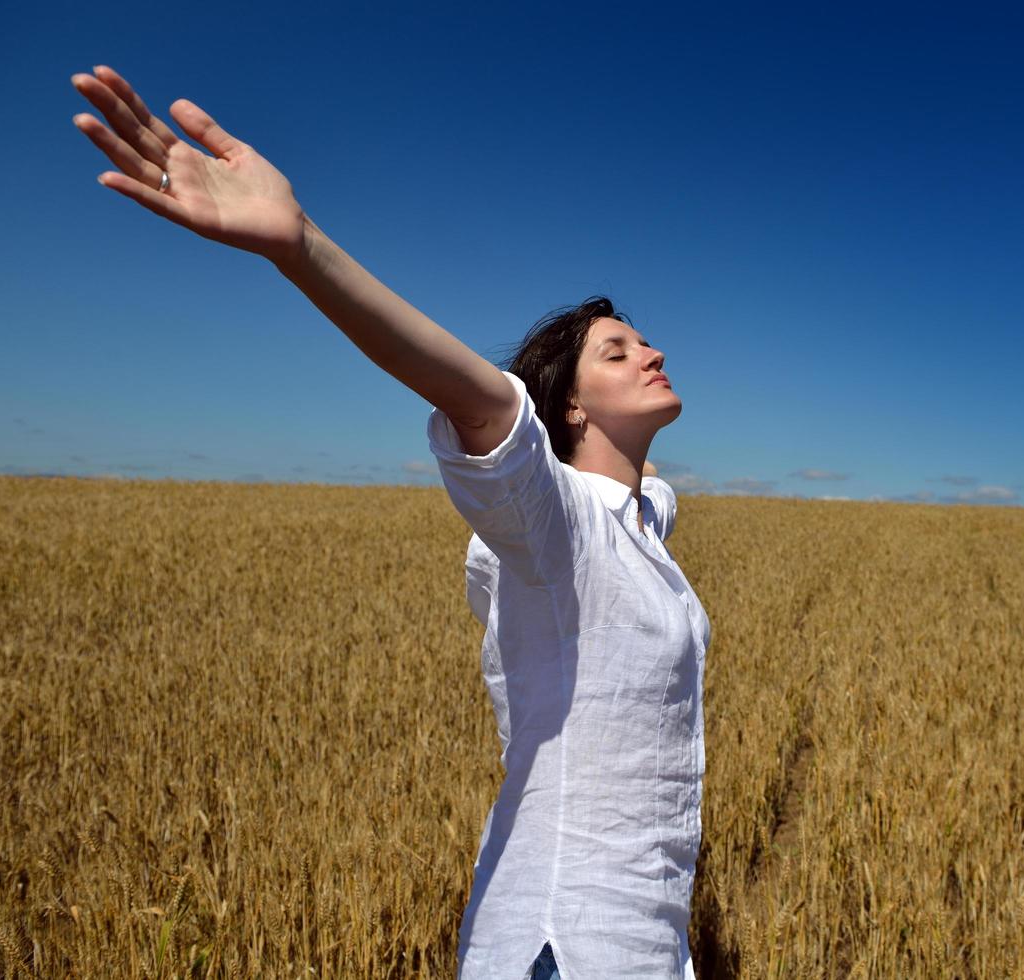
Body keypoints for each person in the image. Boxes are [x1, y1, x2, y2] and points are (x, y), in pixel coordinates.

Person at [72, 66, 710, 980]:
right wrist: (299, 247)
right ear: (566, 409)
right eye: (617, 351)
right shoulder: (552, 518)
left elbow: (641, 512)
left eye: (642, 340)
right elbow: (480, 400)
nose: (651, 351)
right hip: (565, 945)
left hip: (651, 948)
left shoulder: (645, 520)